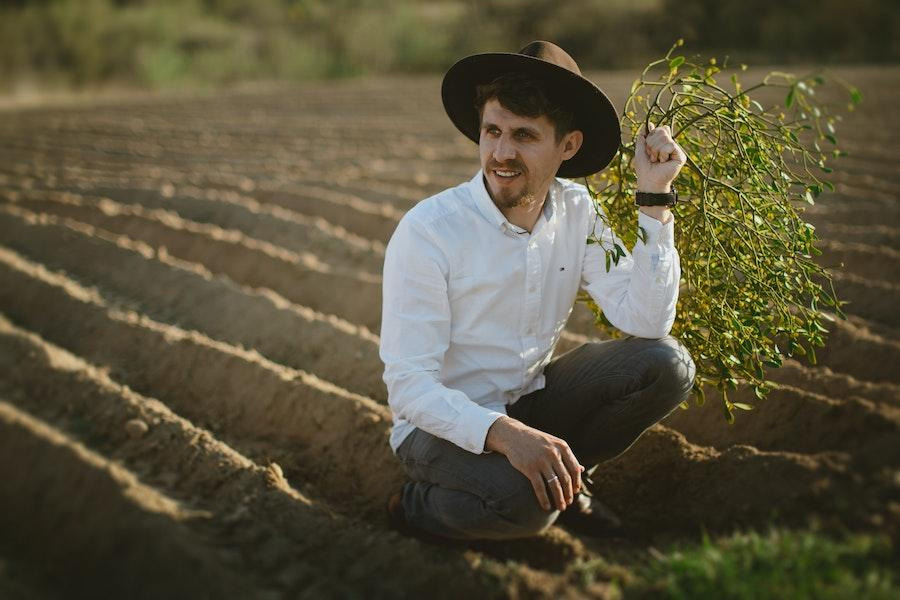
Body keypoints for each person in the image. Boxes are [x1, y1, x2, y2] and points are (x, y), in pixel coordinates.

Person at [380, 40, 696, 542]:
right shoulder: (430, 231)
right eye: (493, 132)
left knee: (666, 364)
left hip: (530, 399)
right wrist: (505, 435)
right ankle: (414, 505)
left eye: (524, 136)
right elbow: (409, 386)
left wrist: (655, 197)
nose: (502, 153)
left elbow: (646, 322)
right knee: (524, 506)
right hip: (437, 425)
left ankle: (565, 481)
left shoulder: (579, 211)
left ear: (567, 146)